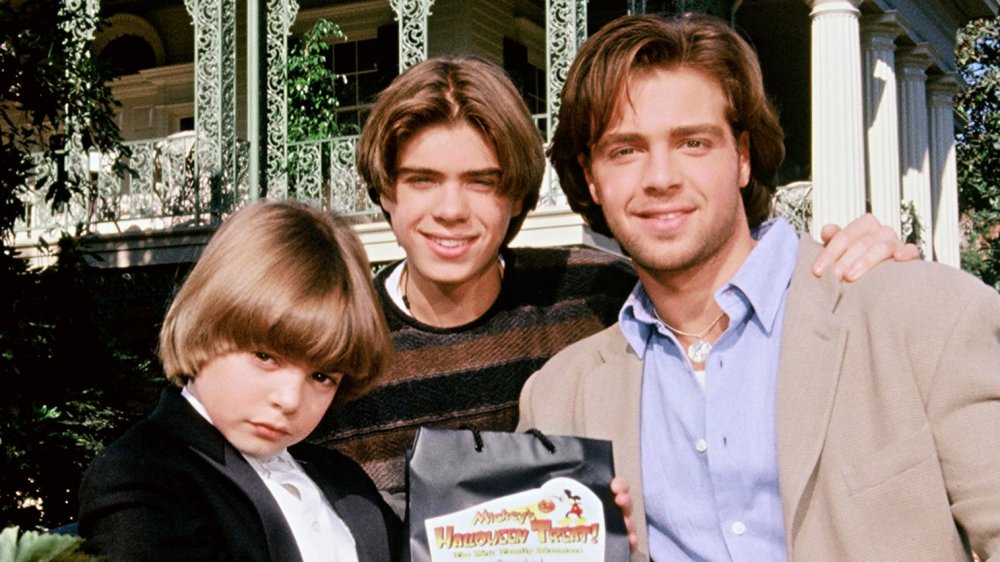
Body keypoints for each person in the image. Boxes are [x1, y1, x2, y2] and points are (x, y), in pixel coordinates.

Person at [315, 55, 916, 511]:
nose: (451, 209)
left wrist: (845, 262)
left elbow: (719, 284)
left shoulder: (596, 295)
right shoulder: (332, 335)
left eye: (481, 182)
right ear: (386, 192)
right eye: (423, 180)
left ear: (519, 195)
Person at [517, 12, 1000, 562]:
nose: (660, 177)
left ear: (743, 157)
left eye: (692, 143)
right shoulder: (558, 400)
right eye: (625, 150)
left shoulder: (923, 317)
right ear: (591, 178)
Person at [77, 201, 402, 562]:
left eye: (321, 376)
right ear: (207, 325)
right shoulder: (142, 477)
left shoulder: (345, 481)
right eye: (265, 357)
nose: (290, 399)